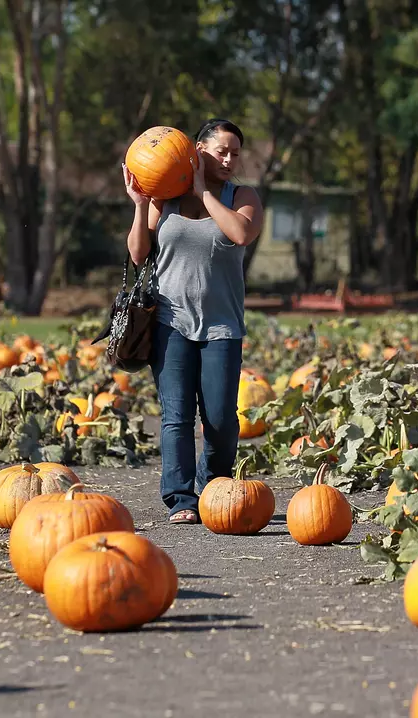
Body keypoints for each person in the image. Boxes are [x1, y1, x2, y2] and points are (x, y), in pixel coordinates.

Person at [123, 118, 263, 524]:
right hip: (170, 323)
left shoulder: (242, 195)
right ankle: (181, 498)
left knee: (220, 420)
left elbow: (239, 233)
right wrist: (139, 204)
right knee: (176, 416)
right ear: (197, 150)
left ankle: (213, 487)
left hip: (222, 326)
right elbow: (137, 254)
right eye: (220, 150)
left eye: (235, 152)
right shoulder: (164, 196)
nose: (228, 158)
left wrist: (203, 191)